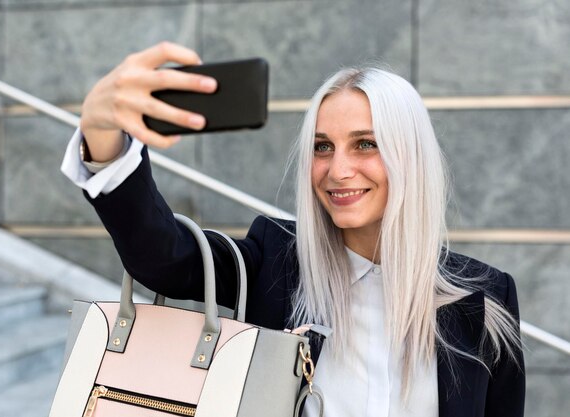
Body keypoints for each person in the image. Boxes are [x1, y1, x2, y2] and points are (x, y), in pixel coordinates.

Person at [62, 42, 525, 417]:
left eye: (365, 144)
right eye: (323, 147)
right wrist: (103, 136)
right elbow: (163, 256)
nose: (338, 170)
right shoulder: (276, 261)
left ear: (411, 155)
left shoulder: (486, 297)